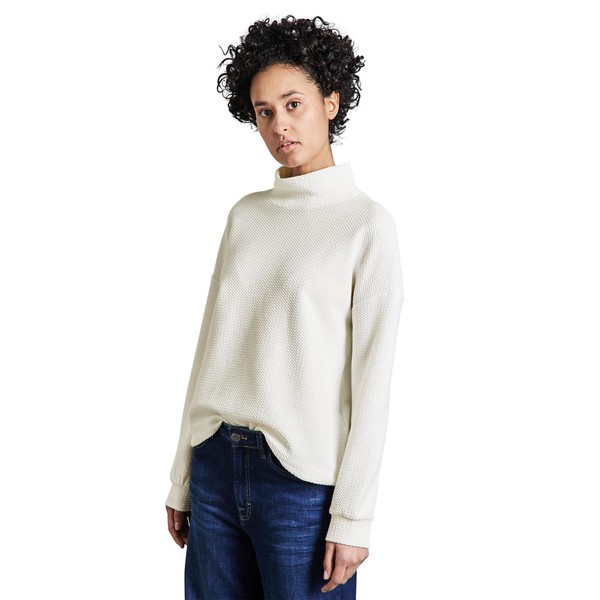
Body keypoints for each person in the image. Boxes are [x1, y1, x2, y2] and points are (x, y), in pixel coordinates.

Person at [165, 14, 404, 600]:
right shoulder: (246, 216)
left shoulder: (366, 226)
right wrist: (182, 476)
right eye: (264, 111)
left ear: (331, 101)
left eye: (293, 104)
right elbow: (211, 348)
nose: (280, 126)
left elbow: (371, 384)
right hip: (215, 462)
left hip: (301, 481)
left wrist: (353, 518)